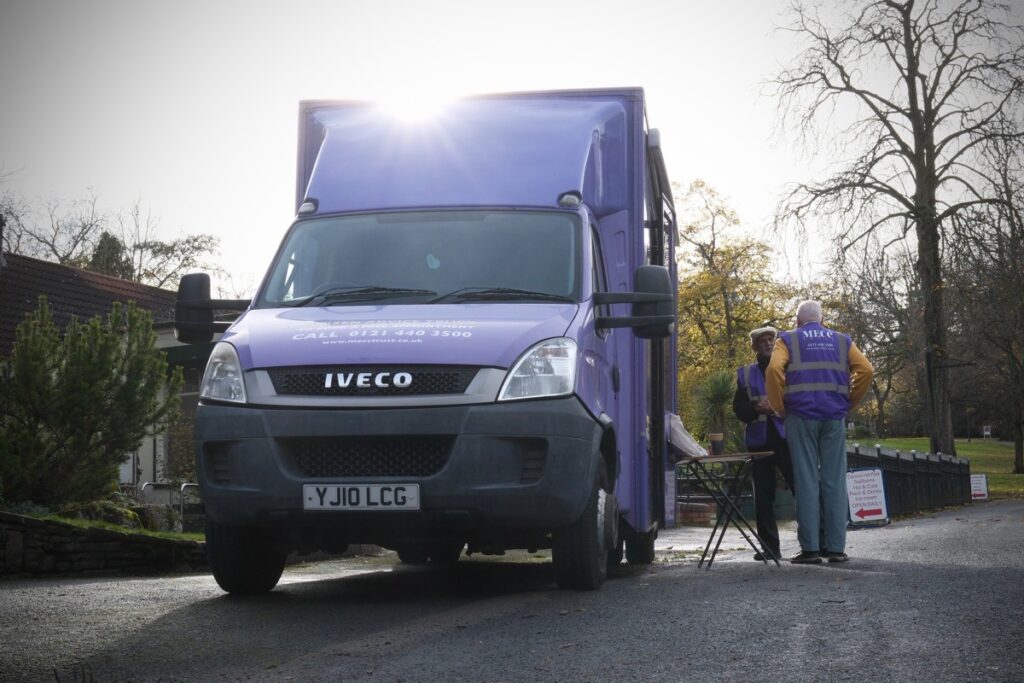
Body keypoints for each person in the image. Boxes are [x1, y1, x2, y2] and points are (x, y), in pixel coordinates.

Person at [765, 300, 874, 564]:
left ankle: (811, 550)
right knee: (834, 481)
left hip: (800, 416)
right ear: (822, 320)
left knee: (806, 481)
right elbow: (867, 370)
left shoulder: (788, 340)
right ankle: (836, 549)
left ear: (798, 321)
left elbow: (773, 369)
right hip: (833, 416)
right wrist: (849, 401)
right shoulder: (842, 341)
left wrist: (780, 407)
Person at [733, 325, 794, 562]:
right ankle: (770, 548)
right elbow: (738, 407)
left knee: (800, 487)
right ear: (755, 347)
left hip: (786, 438)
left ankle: (812, 543)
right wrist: (753, 408)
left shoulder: (788, 369)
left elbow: (799, 397)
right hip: (759, 442)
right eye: (763, 341)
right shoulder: (745, 374)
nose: (768, 343)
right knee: (763, 497)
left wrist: (778, 407)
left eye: (771, 340)